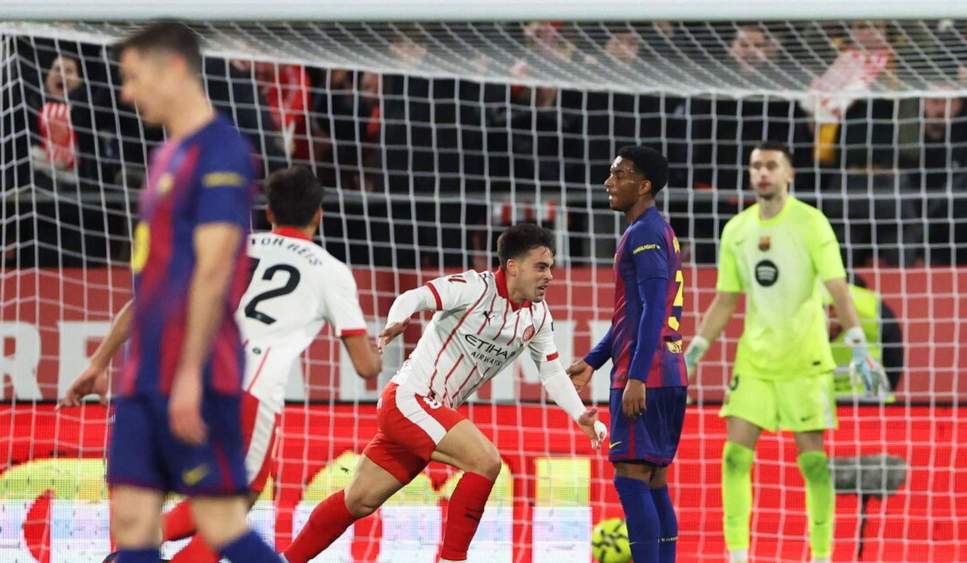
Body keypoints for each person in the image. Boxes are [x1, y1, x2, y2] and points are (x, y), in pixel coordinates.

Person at [62, 166, 382, 561]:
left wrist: (97, 362)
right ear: (320, 215)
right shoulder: (330, 271)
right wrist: (378, 349)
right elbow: (366, 368)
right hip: (247, 388)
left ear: (269, 213)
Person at [55, 22, 280, 563]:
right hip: (142, 377)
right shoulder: (165, 158)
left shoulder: (222, 152)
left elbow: (213, 269)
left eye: (133, 77)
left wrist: (187, 374)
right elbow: (153, 286)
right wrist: (103, 361)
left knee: (222, 524)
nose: (126, 92)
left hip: (196, 374)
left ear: (173, 68)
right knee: (132, 522)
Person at [282, 223, 607, 563]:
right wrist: (398, 318)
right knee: (486, 462)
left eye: (551, 267)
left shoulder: (538, 316)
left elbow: (552, 372)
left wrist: (579, 415)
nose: (550, 276)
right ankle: (452, 559)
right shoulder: (472, 288)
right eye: (541, 266)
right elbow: (414, 297)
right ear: (513, 266)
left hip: (428, 413)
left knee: (359, 500)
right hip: (410, 399)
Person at [683, 142, 888, 563]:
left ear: (788, 173)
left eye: (771, 166)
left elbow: (838, 289)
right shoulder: (736, 229)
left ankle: (823, 555)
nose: (762, 173)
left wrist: (859, 347)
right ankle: (738, 555)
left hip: (805, 362)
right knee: (734, 456)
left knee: (813, 464)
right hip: (756, 362)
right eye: (756, 166)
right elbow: (726, 299)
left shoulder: (812, 224)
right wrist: (692, 354)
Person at [567, 146, 687, 563]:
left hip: (647, 374)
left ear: (644, 185)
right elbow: (633, 315)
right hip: (666, 369)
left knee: (631, 478)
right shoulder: (654, 230)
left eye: (620, 175)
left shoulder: (644, 234)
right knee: (653, 479)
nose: (609, 182)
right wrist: (594, 360)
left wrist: (635, 377)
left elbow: (654, 308)